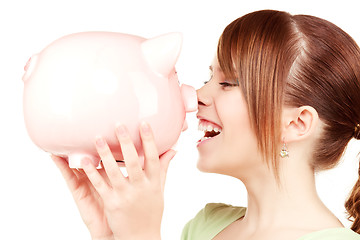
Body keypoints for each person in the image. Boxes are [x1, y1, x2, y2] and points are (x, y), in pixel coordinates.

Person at [52, 9, 360, 240]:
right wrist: (112, 235)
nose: (197, 95)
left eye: (227, 83)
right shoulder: (206, 226)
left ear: (296, 123)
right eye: (207, 78)